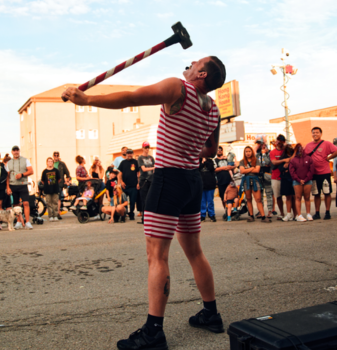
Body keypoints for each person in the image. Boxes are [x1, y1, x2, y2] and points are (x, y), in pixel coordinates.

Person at [62, 55, 225, 350]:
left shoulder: (178, 88)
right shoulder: (213, 109)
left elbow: (131, 98)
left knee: (157, 256)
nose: (188, 63)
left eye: (195, 62)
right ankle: (211, 314)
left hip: (170, 180)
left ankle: (153, 332)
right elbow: (210, 150)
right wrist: (188, 143)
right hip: (191, 180)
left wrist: (86, 101)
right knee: (194, 252)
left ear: (201, 74)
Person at [304, 127, 337, 220]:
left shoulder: (326, 143)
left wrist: (329, 158)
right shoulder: (308, 145)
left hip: (325, 172)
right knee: (316, 194)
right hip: (314, 173)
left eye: (317, 132)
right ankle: (317, 212)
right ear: (311, 134)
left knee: (327, 193)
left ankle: (327, 212)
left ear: (321, 134)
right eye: (313, 132)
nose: (315, 134)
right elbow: (304, 157)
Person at [6, 146, 34, 230]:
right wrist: (7, 187)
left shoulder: (25, 160)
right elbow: (7, 176)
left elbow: (31, 171)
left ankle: (28, 222)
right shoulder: (9, 162)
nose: (16, 152)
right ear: (12, 152)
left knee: (26, 203)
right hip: (13, 185)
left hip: (23, 184)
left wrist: (22, 175)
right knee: (16, 205)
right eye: (14, 151)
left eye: (17, 150)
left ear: (19, 151)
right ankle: (18, 222)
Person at [239, 146, 269, 223]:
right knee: (248, 199)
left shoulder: (256, 160)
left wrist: (247, 170)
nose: (248, 153)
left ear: (252, 152)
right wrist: (252, 168)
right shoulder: (242, 161)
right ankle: (251, 216)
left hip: (255, 180)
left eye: (249, 151)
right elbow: (242, 171)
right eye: (246, 151)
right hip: (246, 181)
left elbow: (257, 170)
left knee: (258, 199)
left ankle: (263, 216)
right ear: (244, 153)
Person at [289, 143, 314, 222]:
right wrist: (299, 180)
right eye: (298, 148)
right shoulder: (293, 160)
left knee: (307, 198)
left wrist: (306, 179)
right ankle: (299, 215)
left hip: (307, 181)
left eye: (301, 148)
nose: (300, 150)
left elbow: (311, 170)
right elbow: (292, 172)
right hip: (297, 182)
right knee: (298, 198)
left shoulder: (309, 158)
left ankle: (308, 214)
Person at [269, 135, 288, 220]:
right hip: (275, 176)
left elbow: (292, 159)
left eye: (281, 141)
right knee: (278, 196)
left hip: (286, 176)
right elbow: (274, 162)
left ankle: (289, 213)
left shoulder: (287, 151)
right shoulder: (272, 152)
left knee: (289, 196)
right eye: (278, 140)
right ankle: (282, 213)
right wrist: (284, 160)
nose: (279, 142)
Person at [118, 149, 140, 220]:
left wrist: (138, 183)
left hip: (133, 186)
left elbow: (138, 173)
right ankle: (125, 213)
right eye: (128, 153)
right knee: (124, 200)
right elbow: (120, 173)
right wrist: (121, 182)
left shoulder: (135, 162)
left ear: (132, 154)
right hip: (125, 186)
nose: (129, 155)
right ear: (126, 154)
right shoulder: (123, 162)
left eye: (131, 153)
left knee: (132, 201)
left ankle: (131, 214)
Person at [137, 142, 156, 224]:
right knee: (144, 200)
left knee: (152, 200)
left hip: (151, 180)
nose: (147, 149)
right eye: (145, 147)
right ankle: (144, 219)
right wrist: (153, 167)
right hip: (144, 181)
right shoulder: (140, 158)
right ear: (142, 148)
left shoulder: (151, 157)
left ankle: (151, 218)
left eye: (148, 147)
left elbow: (155, 168)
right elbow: (143, 169)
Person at [255, 139, 274, 219]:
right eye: (261, 145)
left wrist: (265, 155)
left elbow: (268, 163)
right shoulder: (257, 155)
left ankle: (270, 211)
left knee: (269, 194)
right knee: (260, 195)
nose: (263, 147)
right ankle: (261, 211)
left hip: (267, 176)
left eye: (264, 146)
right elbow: (256, 163)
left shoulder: (269, 153)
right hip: (259, 176)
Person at [41, 157, 61, 222]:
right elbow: (42, 181)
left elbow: (59, 179)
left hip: (55, 189)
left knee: (55, 203)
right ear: (47, 163)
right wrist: (47, 184)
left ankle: (55, 215)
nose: (50, 163)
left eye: (51, 161)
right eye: (49, 161)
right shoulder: (44, 171)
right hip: (47, 189)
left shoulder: (56, 170)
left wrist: (54, 184)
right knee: (48, 203)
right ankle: (50, 216)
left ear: (53, 162)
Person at [214, 146, 235, 210]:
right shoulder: (215, 160)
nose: (219, 151)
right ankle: (226, 210)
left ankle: (231, 211)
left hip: (229, 181)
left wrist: (228, 167)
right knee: (223, 197)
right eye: (218, 150)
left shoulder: (227, 159)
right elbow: (214, 169)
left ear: (222, 151)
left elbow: (234, 166)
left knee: (231, 196)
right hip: (220, 181)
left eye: (221, 150)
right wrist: (223, 168)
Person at [279, 144, 296, 221]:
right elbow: (281, 168)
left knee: (295, 197)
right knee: (288, 197)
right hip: (286, 179)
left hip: (294, 179)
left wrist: (288, 165)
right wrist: (284, 167)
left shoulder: (295, 157)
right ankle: (289, 214)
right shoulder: (283, 158)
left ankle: (296, 214)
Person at [53, 151, 70, 220]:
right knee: (53, 198)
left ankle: (58, 213)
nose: (56, 156)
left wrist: (67, 180)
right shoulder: (51, 163)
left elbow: (67, 172)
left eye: (57, 155)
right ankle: (53, 213)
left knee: (58, 198)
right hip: (52, 183)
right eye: (55, 155)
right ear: (53, 156)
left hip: (59, 183)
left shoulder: (62, 164)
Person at [199, 157, 216, 222]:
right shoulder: (198, 161)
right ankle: (202, 215)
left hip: (210, 184)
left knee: (210, 201)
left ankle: (211, 214)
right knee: (202, 201)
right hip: (201, 185)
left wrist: (206, 162)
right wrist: (202, 163)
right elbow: (198, 169)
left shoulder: (211, 161)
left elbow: (211, 168)